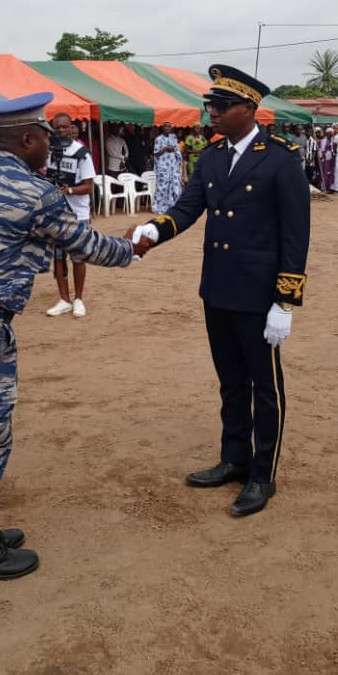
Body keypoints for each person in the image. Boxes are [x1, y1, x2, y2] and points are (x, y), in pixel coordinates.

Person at [0, 93, 149, 585]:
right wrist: (134, 246)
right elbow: (87, 246)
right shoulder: (34, 192)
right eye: (46, 136)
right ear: (27, 139)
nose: (53, 143)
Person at [132, 65, 310, 518]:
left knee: (265, 387)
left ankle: (262, 474)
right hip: (218, 288)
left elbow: (295, 235)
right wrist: (153, 229)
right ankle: (234, 458)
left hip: (259, 295)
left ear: (250, 110)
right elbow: (188, 208)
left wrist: (285, 301)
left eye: (221, 106)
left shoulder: (281, 157)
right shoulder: (212, 156)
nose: (211, 112)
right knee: (231, 382)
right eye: (209, 105)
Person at [45, 111, 96, 318]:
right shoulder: (49, 152)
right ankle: (64, 299)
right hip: (56, 213)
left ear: (72, 128)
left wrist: (71, 190)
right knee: (58, 258)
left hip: (78, 214)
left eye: (64, 127)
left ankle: (79, 299)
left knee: (78, 257)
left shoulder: (81, 153)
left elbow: (89, 186)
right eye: (57, 128)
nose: (61, 131)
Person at [152, 122, 182, 214]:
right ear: (162, 128)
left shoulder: (174, 138)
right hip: (163, 168)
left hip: (173, 167)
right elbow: (156, 153)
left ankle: (172, 206)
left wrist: (175, 151)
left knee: (174, 186)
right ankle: (159, 207)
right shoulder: (158, 139)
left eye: (169, 126)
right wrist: (165, 149)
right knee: (162, 187)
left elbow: (177, 150)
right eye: (166, 126)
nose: (167, 128)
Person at [319, 128, 336, 192]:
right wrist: (322, 158)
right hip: (326, 159)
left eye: (331, 133)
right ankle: (324, 187)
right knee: (325, 172)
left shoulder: (333, 139)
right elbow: (321, 150)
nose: (331, 134)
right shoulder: (323, 140)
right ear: (327, 133)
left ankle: (331, 187)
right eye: (329, 133)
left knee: (331, 173)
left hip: (332, 159)